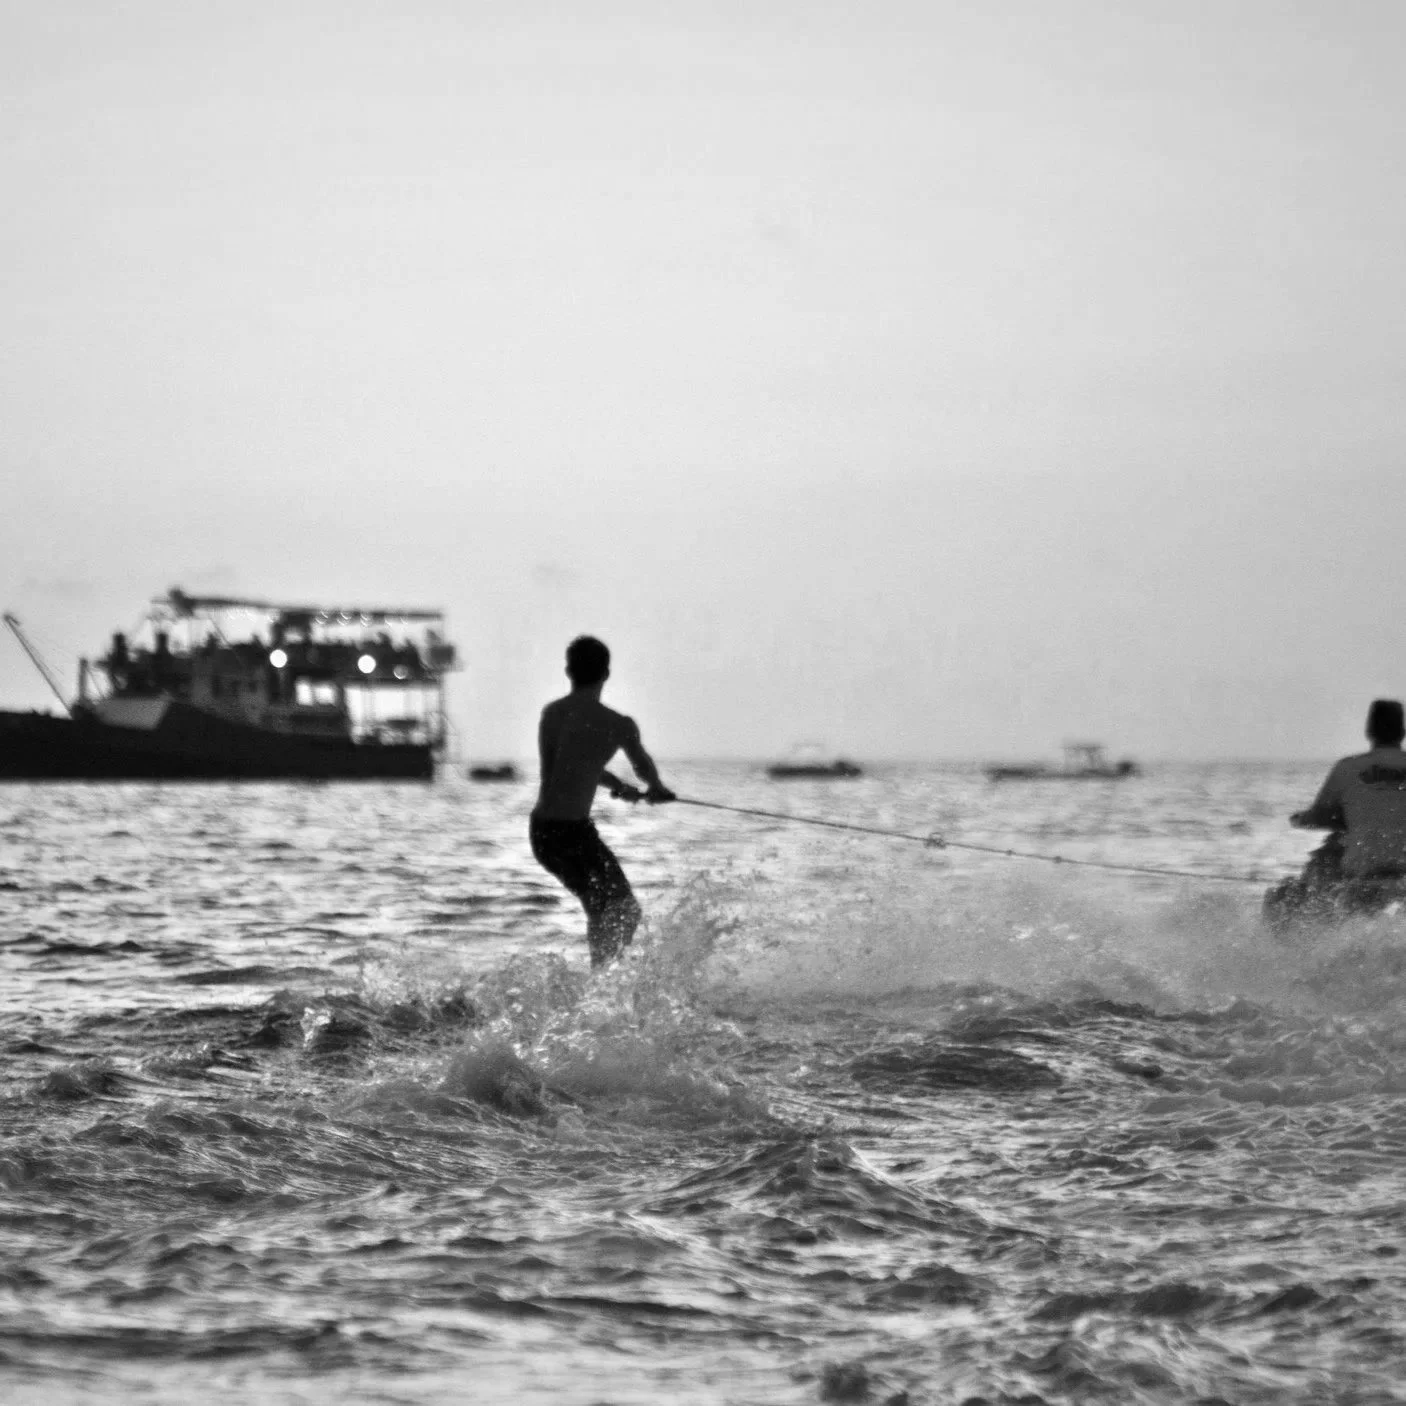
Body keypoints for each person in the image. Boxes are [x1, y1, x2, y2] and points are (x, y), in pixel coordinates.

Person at [529, 636, 675, 966]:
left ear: (569, 671)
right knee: (625, 909)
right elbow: (641, 765)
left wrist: (617, 785)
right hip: (571, 834)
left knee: (600, 906)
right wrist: (655, 788)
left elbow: (568, 766)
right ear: (606, 673)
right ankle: (601, 980)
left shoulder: (553, 713)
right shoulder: (619, 725)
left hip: (542, 834)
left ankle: (600, 978)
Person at [1264, 699, 1406, 930]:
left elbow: (1321, 817)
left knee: (1285, 893)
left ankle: (1295, 946)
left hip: (1362, 880)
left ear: (1369, 731)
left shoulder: (1348, 767)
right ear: (1402, 732)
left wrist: (1300, 819)